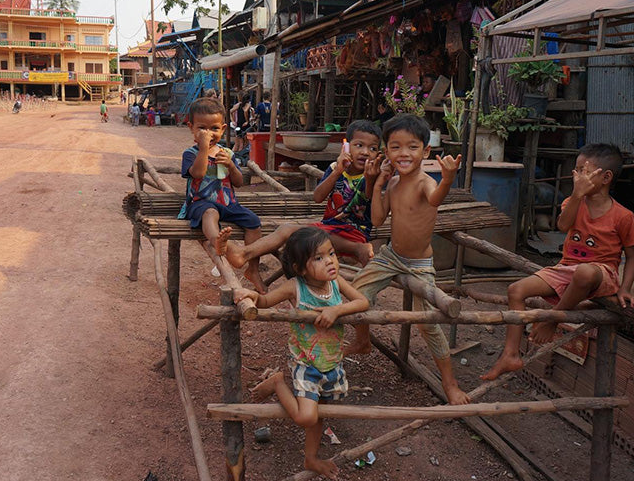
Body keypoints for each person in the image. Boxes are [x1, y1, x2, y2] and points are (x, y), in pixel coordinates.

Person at [481, 143, 634, 380]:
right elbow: (562, 226)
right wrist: (578, 195)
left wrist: (626, 288)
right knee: (516, 290)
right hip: (567, 268)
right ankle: (510, 354)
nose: (576, 176)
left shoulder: (623, 216)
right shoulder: (573, 201)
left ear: (605, 177)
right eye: (576, 170)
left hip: (601, 273)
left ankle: (553, 318)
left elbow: (632, 257)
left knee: (585, 273)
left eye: (583, 170)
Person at [344, 114, 470, 405]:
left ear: (426, 152)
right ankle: (363, 341)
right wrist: (376, 184)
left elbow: (436, 199)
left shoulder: (426, 182)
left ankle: (450, 384)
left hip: (419, 264)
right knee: (356, 295)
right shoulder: (395, 184)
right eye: (395, 147)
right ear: (386, 151)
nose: (403, 154)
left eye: (412, 147)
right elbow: (376, 218)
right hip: (390, 257)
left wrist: (448, 178)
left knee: (428, 323)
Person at [234, 227, 369, 480]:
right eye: (318, 258)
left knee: (320, 413)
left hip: (331, 362)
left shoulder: (335, 283)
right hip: (306, 364)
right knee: (306, 416)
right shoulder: (296, 287)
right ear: (300, 268)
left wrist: (337, 311)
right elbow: (264, 302)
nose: (330, 260)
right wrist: (251, 294)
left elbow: (363, 302)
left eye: (331, 253)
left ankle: (311, 458)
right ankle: (277, 383)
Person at [216, 120, 381, 269]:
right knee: (287, 230)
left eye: (372, 148)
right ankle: (245, 254)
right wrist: (338, 171)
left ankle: (244, 253)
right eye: (359, 145)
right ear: (345, 146)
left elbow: (366, 197)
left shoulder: (373, 175)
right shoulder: (334, 169)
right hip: (329, 227)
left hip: (356, 233)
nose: (366, 152)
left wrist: (370, 178)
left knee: (296, 233)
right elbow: (317, 198)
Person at [181, 97, 265, 290]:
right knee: (210, 214)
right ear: (191, 128)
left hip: (228, 203)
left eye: (214, 128)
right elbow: (199, 173)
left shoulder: (228, 153)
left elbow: (239, 182)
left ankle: (253, 269)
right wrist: (204, 149)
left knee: (253, 222)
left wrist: (230, 165)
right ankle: (217, 242)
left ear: (224, 128)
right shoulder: (191, 154)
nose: (209, 133)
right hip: (200, 203)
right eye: (202, 128)